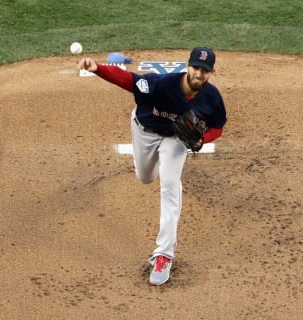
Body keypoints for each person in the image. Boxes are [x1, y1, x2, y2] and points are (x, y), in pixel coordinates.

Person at [78, 47, 227, 286]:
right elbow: (128, 80)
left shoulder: (212, 98)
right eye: (196, 68)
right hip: (144, 131)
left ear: (212, 73)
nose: (199, 74)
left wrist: (202, 140)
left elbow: (218, 127)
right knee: (145, 177)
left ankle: (163, 255)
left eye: (205, 71)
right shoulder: (161, 84)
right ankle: (158, 165)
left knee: (169, 185)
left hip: (174, 140)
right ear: (187, 67)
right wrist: (98, 69)